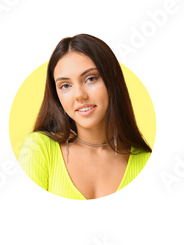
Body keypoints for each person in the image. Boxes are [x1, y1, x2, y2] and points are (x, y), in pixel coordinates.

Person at [19, 34, 152, 200]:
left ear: (112, 82)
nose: (79, 95)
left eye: (90, 79)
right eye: (65, 85)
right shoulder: (39, 149)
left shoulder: (147, 161)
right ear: (57, 96)